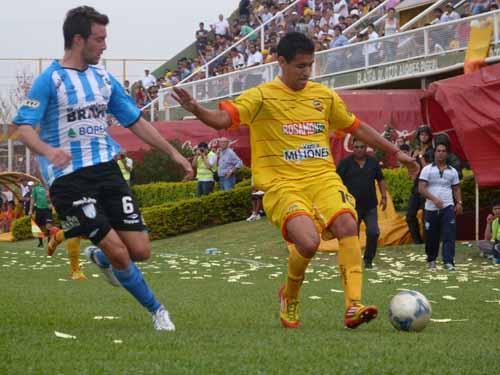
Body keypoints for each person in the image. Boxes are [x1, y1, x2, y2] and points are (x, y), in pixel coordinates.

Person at [172, 32, 418, 329]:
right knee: (308, 242)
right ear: (281, 62)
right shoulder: (261, 97)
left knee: (347, 224)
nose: (306, 72)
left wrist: (396, 152)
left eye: (310, 65)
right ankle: (289, 294)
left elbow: (357, 127)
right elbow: (223, 120)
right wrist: (197, 109)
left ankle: (353, 305)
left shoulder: (323, 96)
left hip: (322, 179)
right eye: (300, 66)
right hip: (281, 185)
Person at [13, 6, 193, 331]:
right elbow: (24, 127)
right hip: (68, 180)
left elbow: (135, 120)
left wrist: (173, 154)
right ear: (79, 39)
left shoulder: (103, 79)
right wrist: (47, 151)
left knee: (140, 250)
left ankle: (101, 260)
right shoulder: (49, 80)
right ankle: (158, 312)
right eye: (100, 39)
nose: (105, 46)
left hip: (107, 171)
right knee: (118, 250)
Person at [337, 138, 388, 269]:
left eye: (362, 147)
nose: (359, 150)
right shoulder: (345, 163)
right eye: (356, 147)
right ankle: (353, 261)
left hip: (370, 205)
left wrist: (384, 196)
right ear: (352, 148)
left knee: (373, 232)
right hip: (351, 207)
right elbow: (336, 182)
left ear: (366, 148)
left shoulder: (373, 163)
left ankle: (368, 260)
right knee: (353, 235)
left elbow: (381, 179)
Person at [418, 142, 463, 271]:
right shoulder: (427, 169)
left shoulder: (453, 171)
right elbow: (421, 188)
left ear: (447, 153)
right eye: (438, 151)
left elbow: (456, 188)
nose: (441, 153)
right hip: (431, 208)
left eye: (443, 151)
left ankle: (448, 261)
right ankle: (431, 260)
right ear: (435, 153)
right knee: (431, 236)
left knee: (449, 235)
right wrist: (434, 199)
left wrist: (459, 203)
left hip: (448, 207)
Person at [407, 125, 433, 244]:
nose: (423, 136)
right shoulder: (416, 150)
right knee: (410, 215)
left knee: (425, 217)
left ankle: (428, 240)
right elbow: (411, 168)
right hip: (416, 186)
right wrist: (413, 157)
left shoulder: (432, 150)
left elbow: (428, 169)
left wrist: (421, 156)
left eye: (426, 134)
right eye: (421, 134)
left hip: (427, 186)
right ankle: (417, 241)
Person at [29, 181, 52, 248]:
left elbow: (53, 196)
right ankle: (40, 243)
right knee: (38, 227)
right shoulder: (36, 188)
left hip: (47, 210)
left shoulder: (49, 186)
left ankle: (49, 242)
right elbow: (33, 199)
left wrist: (51, 204)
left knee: (48, 226)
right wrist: (30, 210)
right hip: (39, 210)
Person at [477, 199, 500, 263]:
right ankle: (495, 253)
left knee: (496, 246)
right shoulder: (495, 222)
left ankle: (494, 254)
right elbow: (487, 238)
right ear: (492, 211)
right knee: (481, 243)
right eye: (495, 209)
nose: (497, 211)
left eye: (499, 208)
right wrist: (488, 223)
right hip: (497, 244)